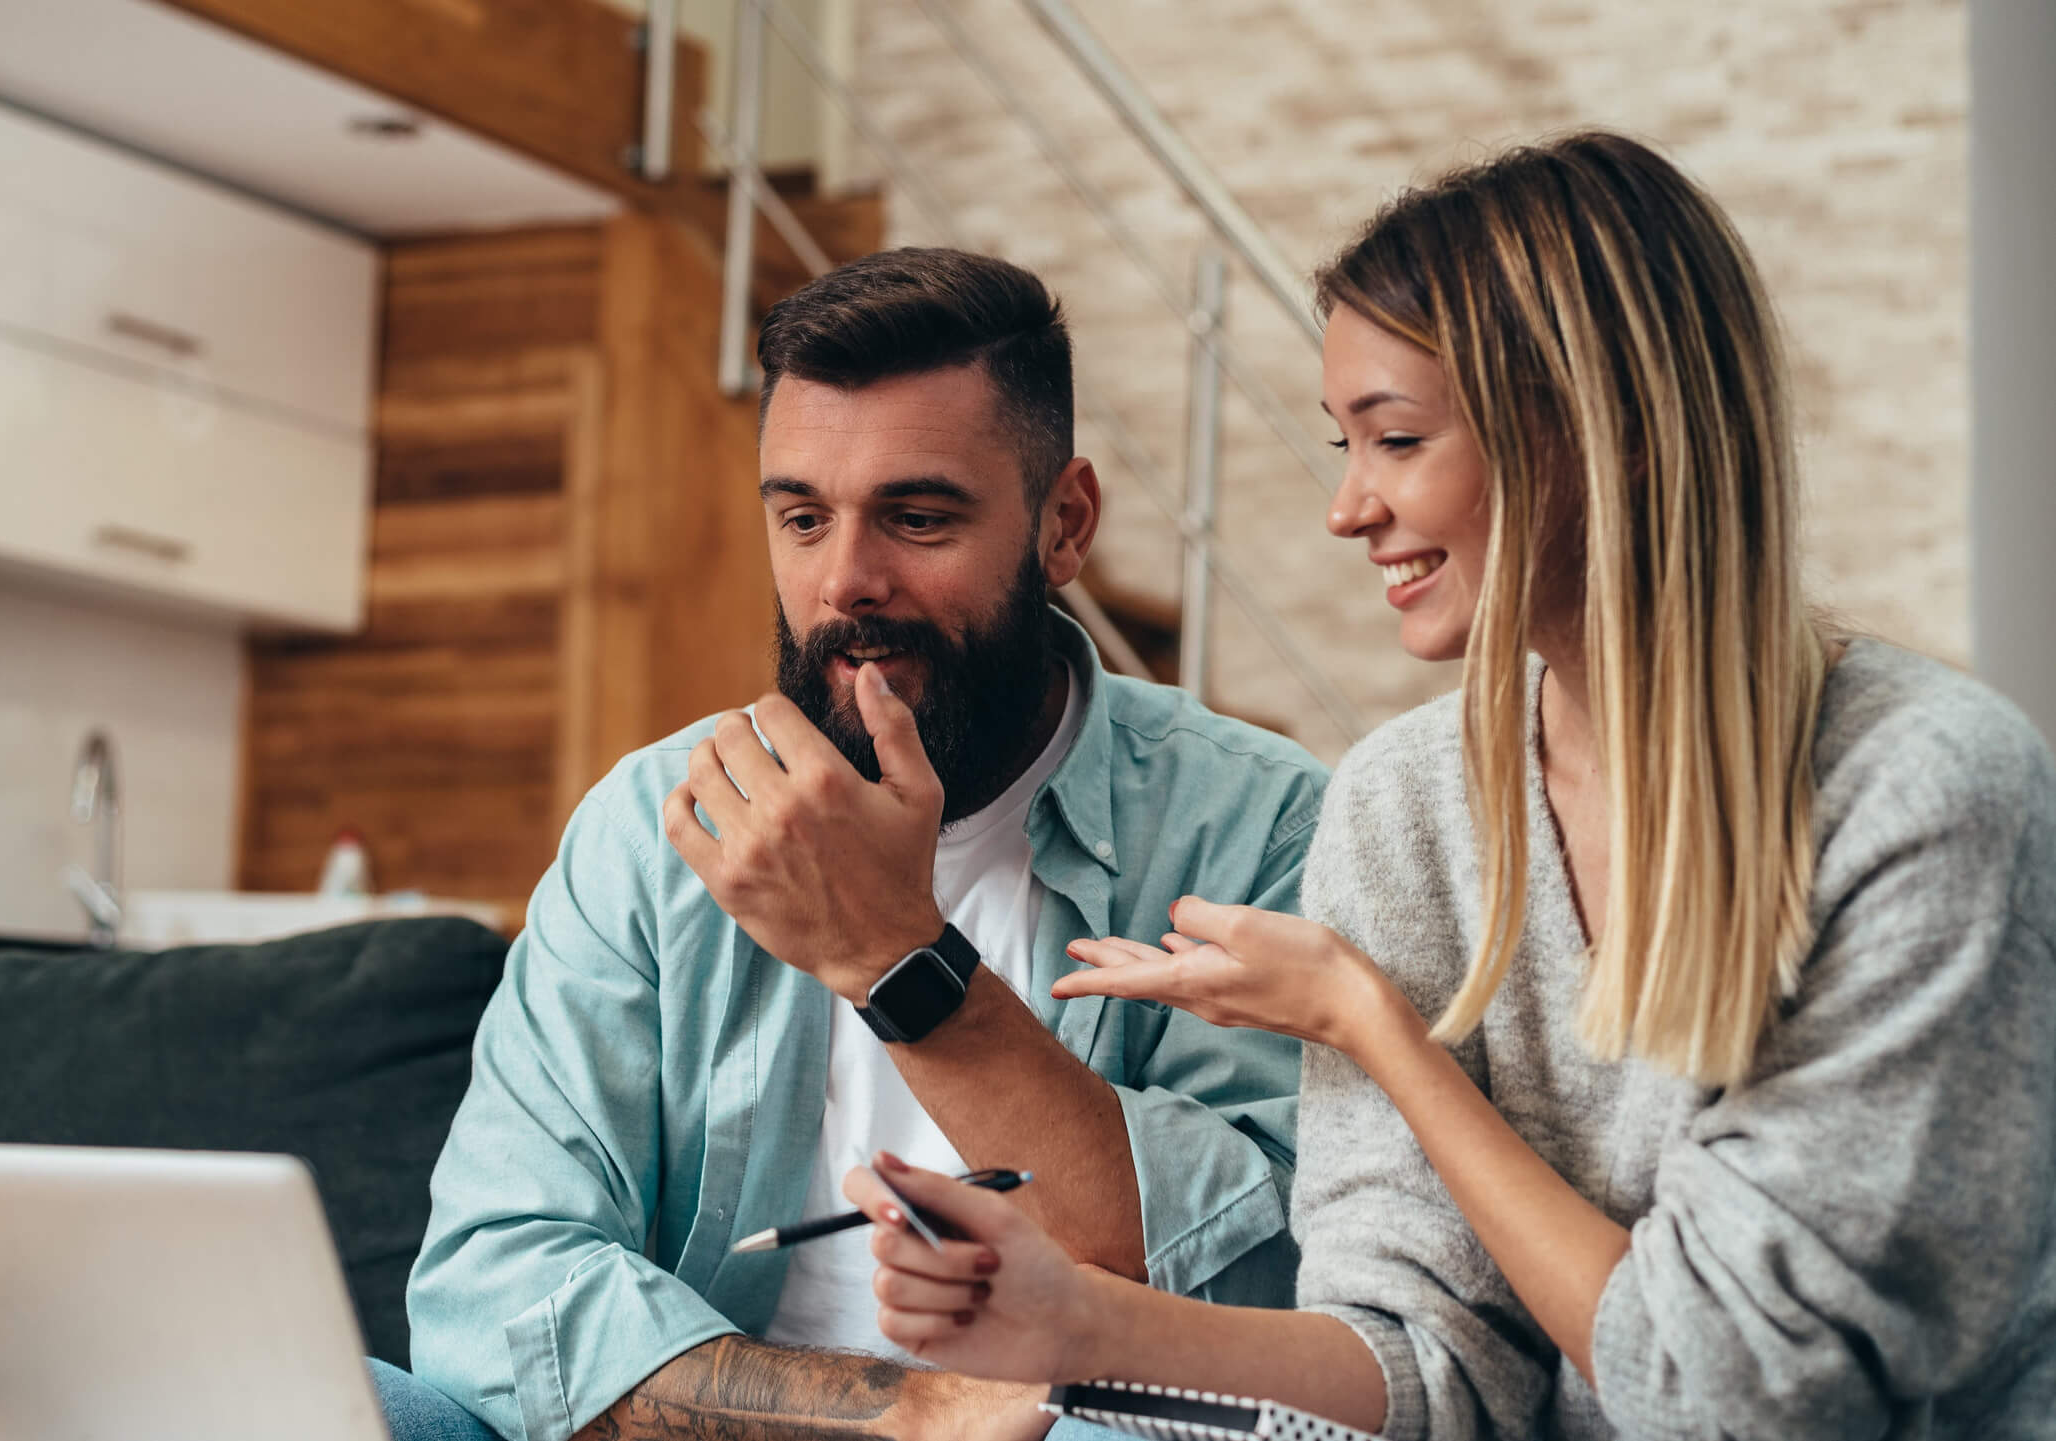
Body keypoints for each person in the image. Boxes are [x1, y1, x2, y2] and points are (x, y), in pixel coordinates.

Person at [846, 133, 2056, 1440]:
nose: (1346, 508)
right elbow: (1425, 1369)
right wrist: (1079, 1321)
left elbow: (1737, 1400)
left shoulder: (1923, 794)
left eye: (1396, 438)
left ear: (1605, 433)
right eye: (1341, 443)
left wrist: (1375, 1028)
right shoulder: (1402, 805)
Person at [388, 248, 1330, 1441]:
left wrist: (897, 953)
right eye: (802, 517)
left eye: (917, 516)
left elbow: (1263, 1305)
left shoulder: (1256, 826)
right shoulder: (650, 825)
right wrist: (899, 1411)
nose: (845, 581)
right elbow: (489, 1285)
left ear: (1065, 523)